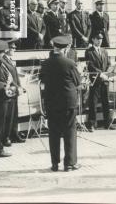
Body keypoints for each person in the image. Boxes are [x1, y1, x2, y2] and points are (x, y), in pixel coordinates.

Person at [40, 36, 81, 172]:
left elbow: (42, 80)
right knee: (70, 132)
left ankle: (54, 164)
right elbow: (77, 81)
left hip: (52, 103)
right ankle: (69, 163)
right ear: (65, 48)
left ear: (54, 47)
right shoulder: (69, 63)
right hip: (68, 102)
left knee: (54, 133)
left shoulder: (45, 64)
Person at [85, 33, 116, 131]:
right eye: (98, 39)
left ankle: (107, 123)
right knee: (93, 103)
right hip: (95, 80)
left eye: (101, 39)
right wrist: (101, 74)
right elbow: (90, 66)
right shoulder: (89, 52)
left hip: (105, 80)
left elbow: (108, 63)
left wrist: (108, 73)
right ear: (93, 39)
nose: (100, 40)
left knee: (106, 102)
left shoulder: (104, 51)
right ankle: (92, 124)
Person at [2, 39, 25, 144]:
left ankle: (14, 134)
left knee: (14, 114)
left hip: (15, 90)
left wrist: (20, 86)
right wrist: (17, 87)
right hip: (9, 91)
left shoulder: (10, 60)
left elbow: (15, 76)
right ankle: (6, 136)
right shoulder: (3, 60)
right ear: (7, 49)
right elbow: (9, 78)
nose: (14, 49)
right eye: (13, 48)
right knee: (8, 115)